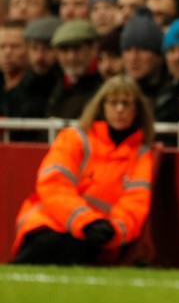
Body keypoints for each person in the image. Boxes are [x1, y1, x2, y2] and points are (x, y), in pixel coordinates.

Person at [10, 75, 155, 265]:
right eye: (113, 102)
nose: (120, 109)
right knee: (55, 244)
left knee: (76, 247)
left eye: (126, 103)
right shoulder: (75, 138)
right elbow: (54, 184)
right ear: (102, 106)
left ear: (137, 110)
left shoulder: (141, 155)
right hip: (52, 222)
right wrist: (84, 221)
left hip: (98, 236)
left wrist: (113, 230)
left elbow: (135, 204)